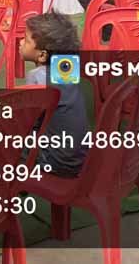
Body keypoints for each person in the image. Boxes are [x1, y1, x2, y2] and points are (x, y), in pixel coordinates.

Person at [18, 12, 87, 178]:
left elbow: (28, 122)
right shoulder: (67, 69)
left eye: (26, 40)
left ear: (42, 55)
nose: (20, 42)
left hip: (55, 163)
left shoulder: (37, 77)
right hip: (78, 158)